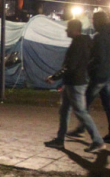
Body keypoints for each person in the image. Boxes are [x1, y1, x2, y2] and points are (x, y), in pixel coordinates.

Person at [44, 19, 104, 153]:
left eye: (68, 28)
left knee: (81, 112)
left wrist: (54, 77)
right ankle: (59, 140)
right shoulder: (84, 42)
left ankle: (98, 141)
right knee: (64, 110)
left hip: (75, 83)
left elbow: (71, 66)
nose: (66, 31)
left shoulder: (78, 44)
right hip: (73, 81)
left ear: (74, 30)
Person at [67, 11, 110, 142]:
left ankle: (80, 130)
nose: (93, 23)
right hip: (108, 74)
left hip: (98, 75)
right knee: (107, 104)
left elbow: (97, 57)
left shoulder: (98, 37)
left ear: (98, 22)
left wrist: (88, 65)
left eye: (94, 20)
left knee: (85, 103)